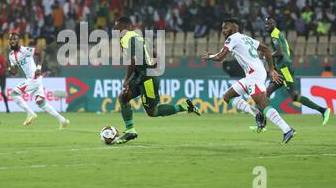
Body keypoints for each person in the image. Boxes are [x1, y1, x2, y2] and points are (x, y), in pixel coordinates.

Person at [202, 17, 296, 143]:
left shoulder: (232, 38)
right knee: (227, 97)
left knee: (264, 104)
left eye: (226, 27)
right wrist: (272, 70)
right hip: (252, 75)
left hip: (254, 75)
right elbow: (267, 50)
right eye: (222, 28)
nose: (223, 31)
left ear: (234, 27)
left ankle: (287, 129)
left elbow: (220, 57)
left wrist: (210, 58)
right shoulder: (245, 38)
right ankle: (256, 114)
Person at [111, 16, 201, 145]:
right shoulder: (139, 37)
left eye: (117, 27)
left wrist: (126, 79)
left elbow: (133, 60)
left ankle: (184, 106)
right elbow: (155, 54)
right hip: (143, 75)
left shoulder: (126, 38)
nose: (115, 30)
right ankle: (130, 130)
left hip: (146, 78)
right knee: (123, 97)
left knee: (152, 111)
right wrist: (154, 67)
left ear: (124, 27)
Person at [265, 16, 331, 125]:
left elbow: (280, 52)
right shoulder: (279, 33)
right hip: (283, 67)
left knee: (294, 96)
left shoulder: (274, 35)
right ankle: (262, 123)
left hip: (284, 69)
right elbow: (289, 50)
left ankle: (323, 110)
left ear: (274, 24)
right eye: (266, 24)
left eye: (270, 24)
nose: (267, 26)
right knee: (267, 93)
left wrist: (268, 56)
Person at [8, 32, 69, 129]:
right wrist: (10, 70)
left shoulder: (24, 50)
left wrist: (39, 67)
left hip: (34, 79)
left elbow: (41, 52)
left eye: (15, 39)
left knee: (14, 94)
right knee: (42, 103)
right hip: (31, 81)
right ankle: (63, 120)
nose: (12, 41)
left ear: (18, 40)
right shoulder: (11, 55)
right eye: (11, 39)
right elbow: (14, 71)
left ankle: (30, 114)